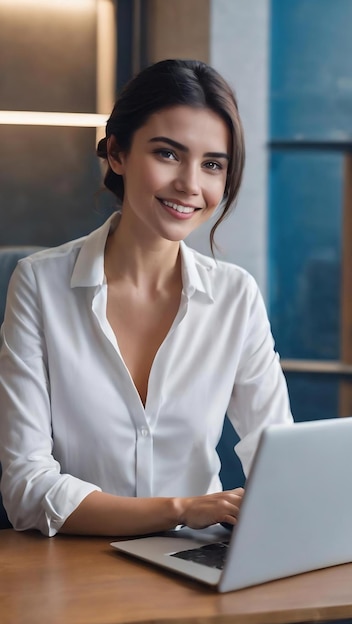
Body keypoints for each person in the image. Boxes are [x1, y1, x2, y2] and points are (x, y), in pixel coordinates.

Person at [0, 59, 292, 537]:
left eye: (212, 164)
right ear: (117, 153)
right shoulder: (38, 284)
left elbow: (277, 455)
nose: (191, 185)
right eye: (168, 154)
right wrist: (180, 509)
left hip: (198, 565)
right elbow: (28, 491)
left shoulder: (235, 295)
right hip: (77, 567)